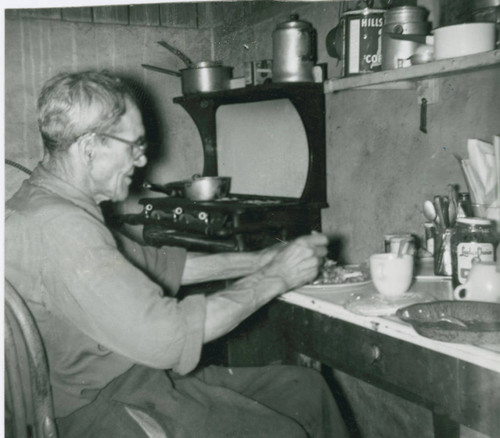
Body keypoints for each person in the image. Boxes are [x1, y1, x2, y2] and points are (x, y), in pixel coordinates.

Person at [5, 70, 348, 438]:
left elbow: (157, 265)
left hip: (133, 378)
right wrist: (278, 278)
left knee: (304, 389)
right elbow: (167, 337)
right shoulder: (63, 229)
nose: (140, 160)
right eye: (133, 145)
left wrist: (262, 260)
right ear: (90, 148)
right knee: (286, 432)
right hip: (99, 409)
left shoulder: (43, 200)